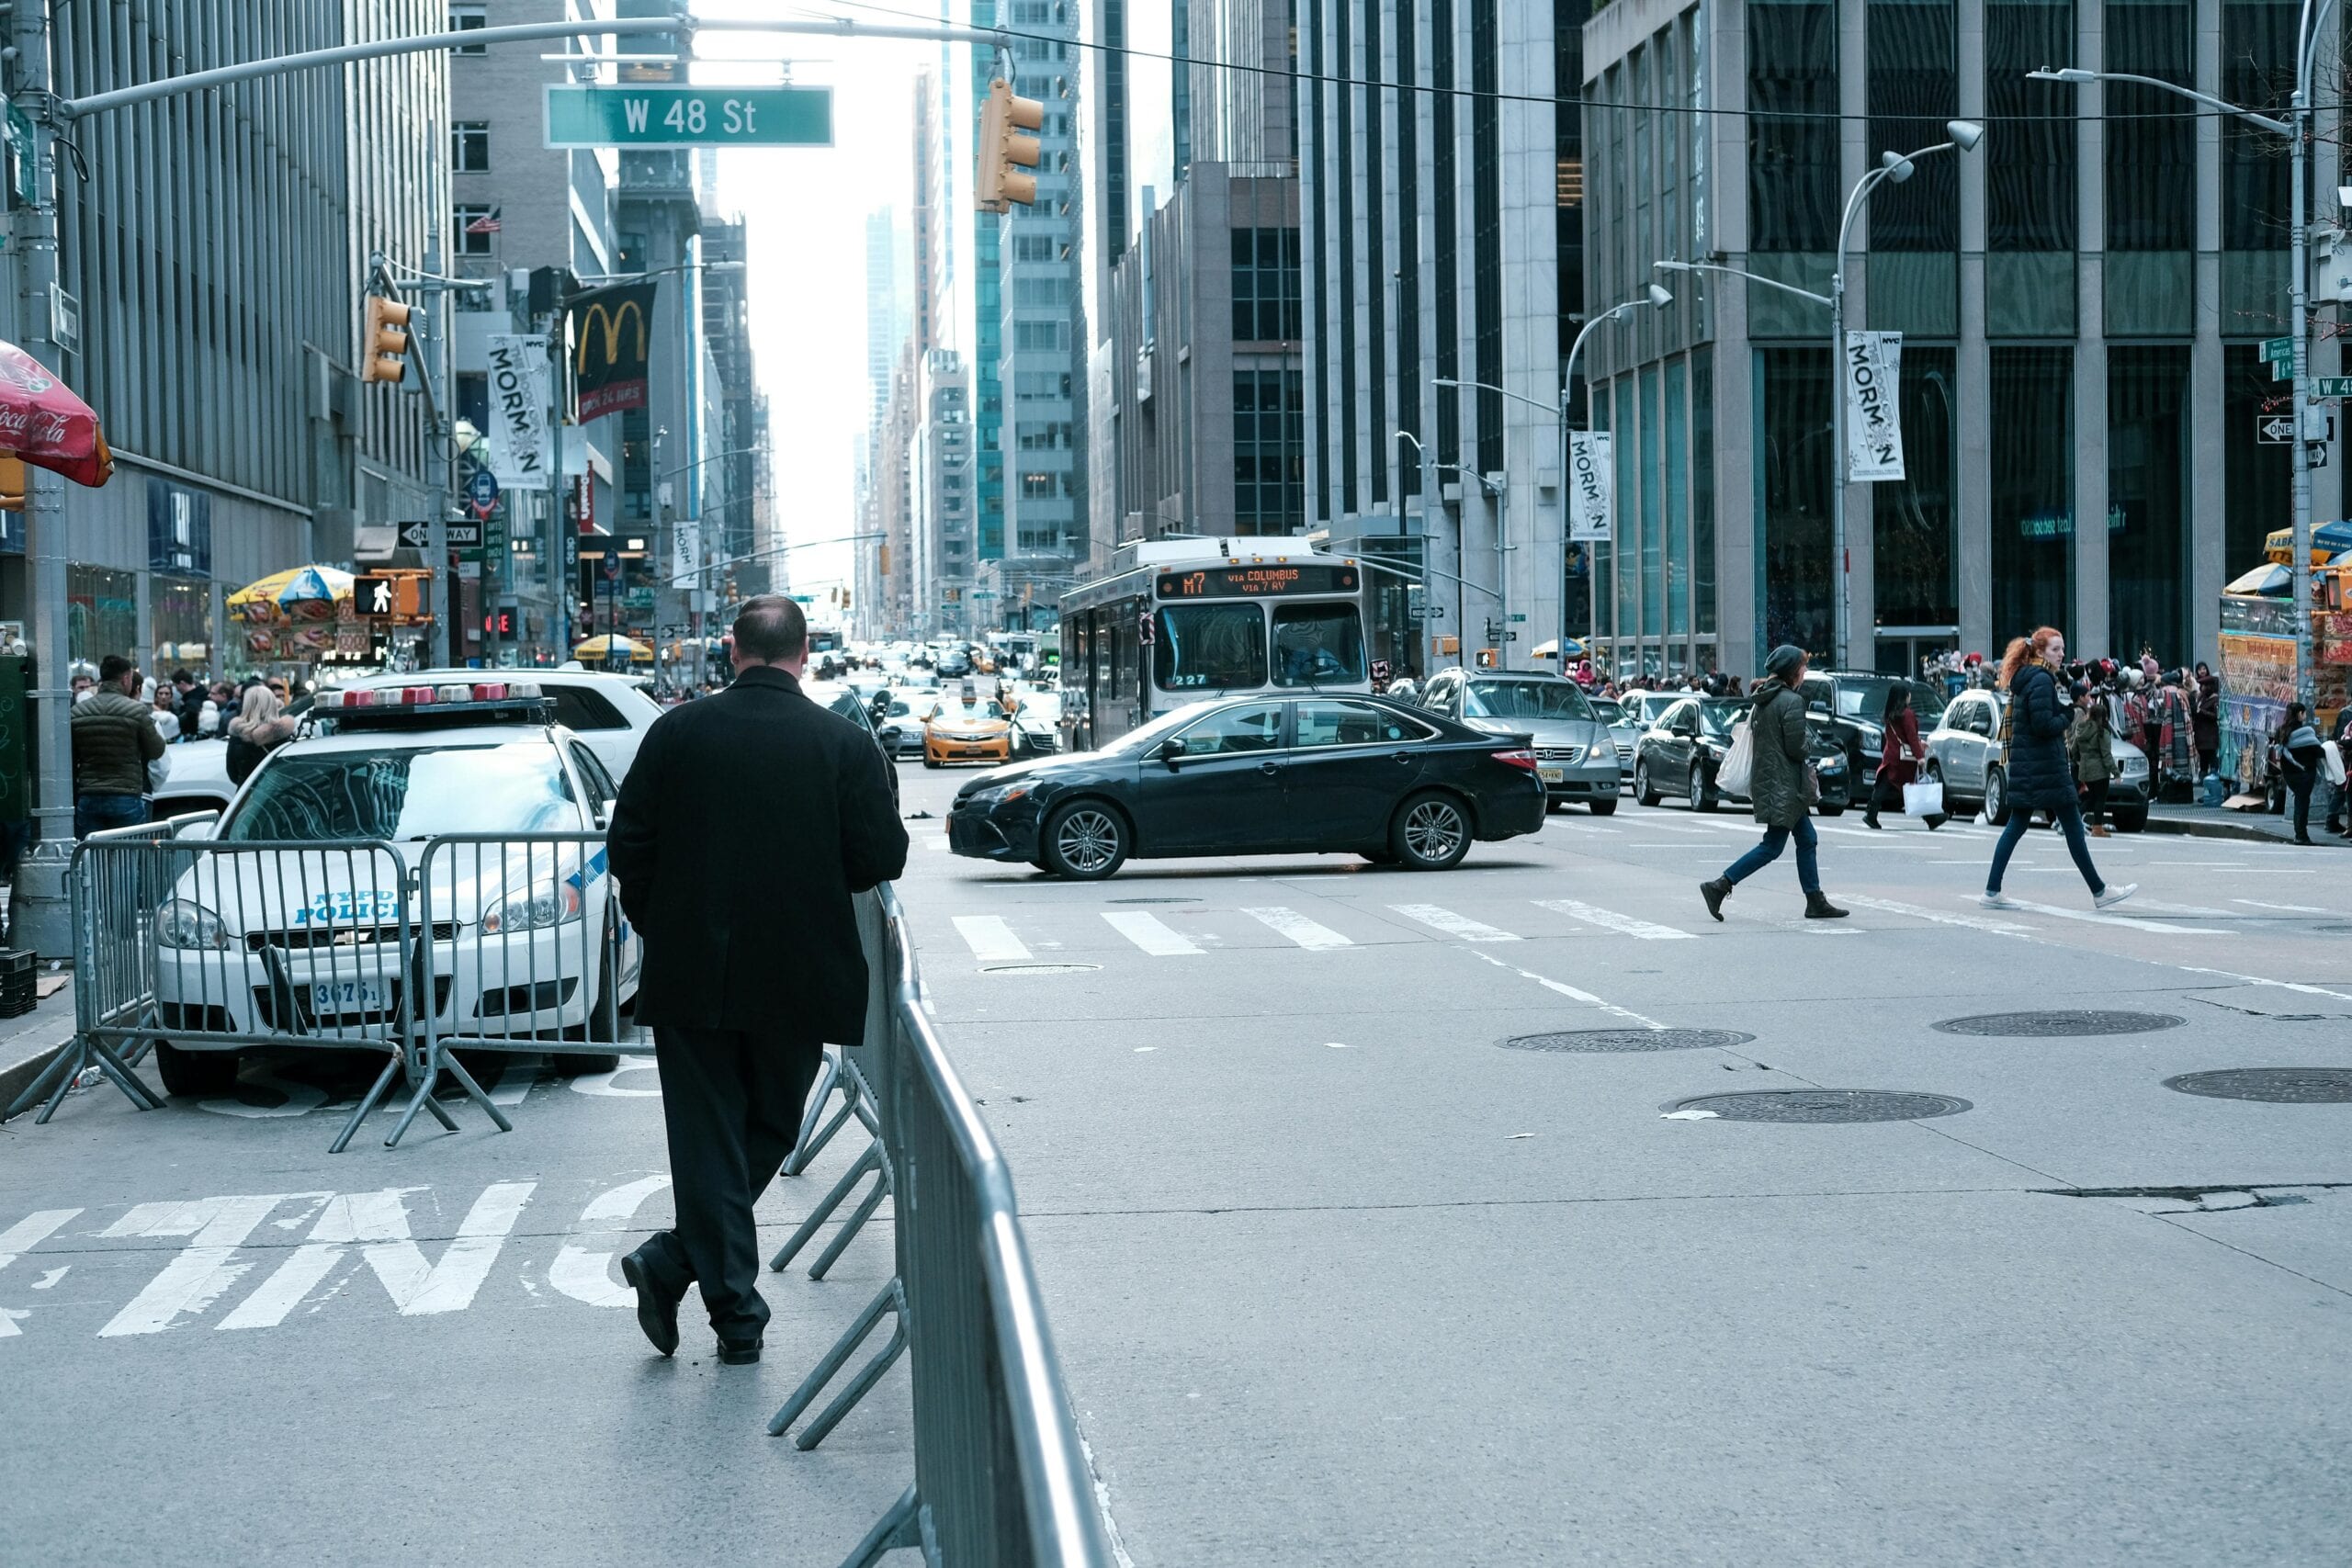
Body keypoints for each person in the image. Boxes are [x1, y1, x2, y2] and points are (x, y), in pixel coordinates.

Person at [611, 596, 910, 1366]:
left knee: (707, 1137)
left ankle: (679, 1262)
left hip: (692, 971)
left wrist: (660, 925)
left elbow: (629, 846)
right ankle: (733, 1312)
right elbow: (881, 857)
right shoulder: (842, 743)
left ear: (732, 650)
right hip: (798, 973)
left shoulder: (675, 732)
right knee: (772, 1124)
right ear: (804, 653)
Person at [1982, 628, 2135, 911]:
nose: (2061, 654)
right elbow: (2043, 725)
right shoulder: (2040, 680)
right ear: (2040, 652)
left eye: (2062, 648)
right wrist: (2068, 714)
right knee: (2072, 827)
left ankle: (1992, 890)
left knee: (2021, 825)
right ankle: (2100, 891)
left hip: (2033, 766)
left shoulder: (2029, 678)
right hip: (2045, 766)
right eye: (2055, 649)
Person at [1701, 644, 1848, 921]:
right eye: (1803, 667)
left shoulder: (1764, 698)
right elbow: (1796, 748)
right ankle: (1720, 885)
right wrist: (1811, 741)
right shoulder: (1791, 701)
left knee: (1806, 838)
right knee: (1773, 845)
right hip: (1786, 785)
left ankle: (1814, 899)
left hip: (1774, 781)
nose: (1805, 672)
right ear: (1793, 671)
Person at [70, 654, 164, 837]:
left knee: (93, 858)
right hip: (126, 794)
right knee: (127, 858)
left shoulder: (78, 712)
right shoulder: (136, 710)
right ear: (126, 678)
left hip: (89, 795)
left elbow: (71, 760)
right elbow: (156, 750)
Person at [1863, 683, 1943, 830]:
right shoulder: (1907, 714)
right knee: (1913, 787)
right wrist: (1920, 755)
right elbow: (1911, 737)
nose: (1910, 696)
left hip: (1892, 755)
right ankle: (1932, 818)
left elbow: (1902, 736)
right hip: (1905, 760)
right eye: (1908, 693)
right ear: (1904, 697)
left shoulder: (1890, 713)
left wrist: (1919, 744)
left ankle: (1871, 813)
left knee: (1887, 785)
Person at [2066, 679, 2117, 838]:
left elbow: (2074, 744)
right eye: (2088, 695)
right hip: (2094, 768)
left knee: (2086, 795)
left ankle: (2071, 821)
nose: (2090, 698)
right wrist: (2115, 771)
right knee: (2094, 797)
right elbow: (2106, 753)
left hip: (2083, 765)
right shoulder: (2082, 716)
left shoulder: (2080, 721)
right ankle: (2085, 824)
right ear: (2080, 697)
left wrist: (2075, 757)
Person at [225, 678, 297, 785]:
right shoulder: (284, 734)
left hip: (248, 796)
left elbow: (232, 774)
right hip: (280, 795)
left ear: (246, 705)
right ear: (272, 703)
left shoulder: (238, 734)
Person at [2277, 716, 2325, 845]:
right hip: (2305, 774)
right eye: (2304, 713)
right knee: (2302, 806)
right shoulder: (2307, 734)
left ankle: (2299, 834)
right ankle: (2301, 835)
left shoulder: (2284, 733)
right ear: (2300, 713)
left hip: (2290, 775)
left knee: (2299, 803)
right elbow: (2320, 752)